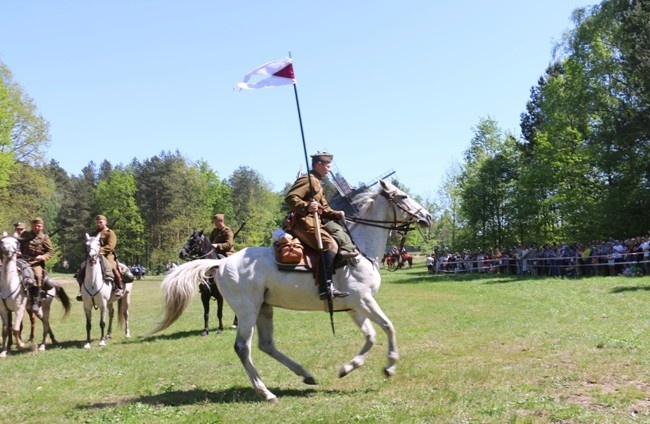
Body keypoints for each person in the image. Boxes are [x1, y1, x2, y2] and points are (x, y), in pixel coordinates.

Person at [285, 151, 350, 300]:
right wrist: (307, 206)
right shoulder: (309, 180)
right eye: (327, 166)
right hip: (303, 223)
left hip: (315, 222)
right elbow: (290, 198)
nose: (329, 169)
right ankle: (325, 288)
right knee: (330, 245)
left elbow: (324, 208)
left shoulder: (318, 182)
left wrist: (336, 214)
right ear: (319, 164)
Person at [76, 215, 124, 301]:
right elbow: (89, 243)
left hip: (107, 255)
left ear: (105, 222)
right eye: (97, 222)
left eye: (100, 222)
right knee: (82, 267)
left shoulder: (110, 233)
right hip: (93, 255)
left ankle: (119, 288)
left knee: (112, 267)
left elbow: (111, 246)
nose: (98, 224)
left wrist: (99, 250)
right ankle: (81, 291)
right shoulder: (94, 233)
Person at [19, 217, 54, 312]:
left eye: (38, 226)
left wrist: (42, 257)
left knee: (38, 276)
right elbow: (18, 244)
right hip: (22, 261)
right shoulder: (25, 234)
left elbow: (50, 252)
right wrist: (18, 251)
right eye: (34, 225)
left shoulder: (44, 237)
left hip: (35, 263)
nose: (36, 227)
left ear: (42, 227)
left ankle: (35, 300)